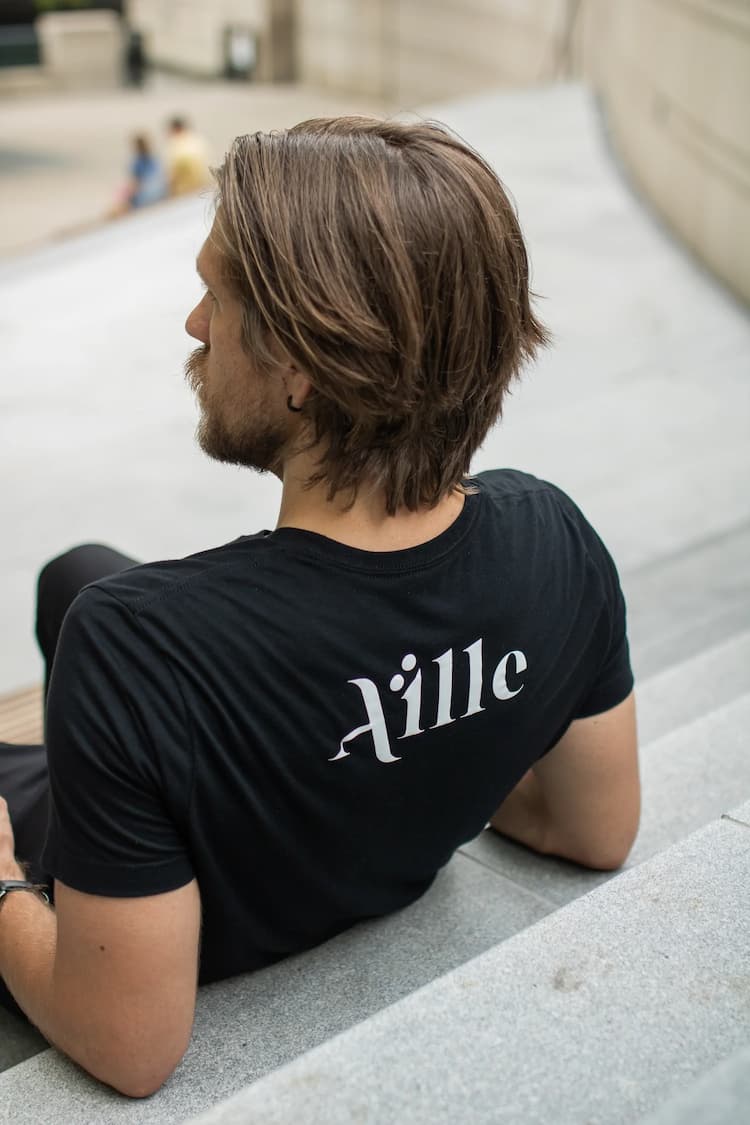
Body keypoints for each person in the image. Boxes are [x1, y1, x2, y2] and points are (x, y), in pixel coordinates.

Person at [0, 117, 639, 1098]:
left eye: (214, 296)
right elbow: (596, 830)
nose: (194, 326)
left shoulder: (137, 646)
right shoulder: (553, 537)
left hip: (68, 875)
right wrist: (429, 755)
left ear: (301, 365)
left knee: (87, 608)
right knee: (74, 571)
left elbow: (130, 1045)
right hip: (276, 808)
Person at [165, 115, 210, 197]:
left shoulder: (175, 144)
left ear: (175, 129)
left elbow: (173, 173)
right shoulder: (197, 139)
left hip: (187, 188)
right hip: (203, 185)